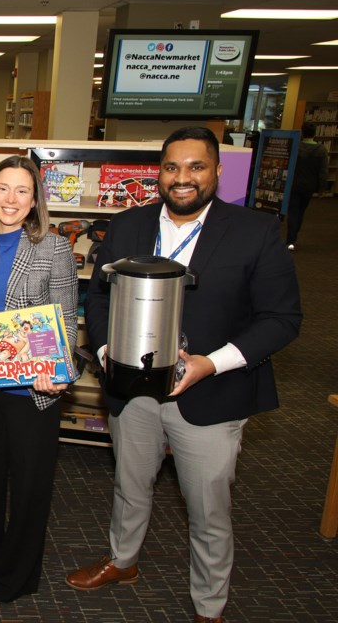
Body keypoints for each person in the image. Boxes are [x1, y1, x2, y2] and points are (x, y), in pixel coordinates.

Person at [66, 126, 302, 623]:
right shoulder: (128, 225)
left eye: (196, 167)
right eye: (172, 167)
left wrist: (210, 364)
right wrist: (108, 348)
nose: (183, 178)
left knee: (208, 509)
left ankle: (209, 606)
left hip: (211, 390)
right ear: (160, 173)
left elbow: (282, 319)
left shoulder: (255, 232)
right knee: (131, 484)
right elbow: (102, 295)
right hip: (132, 387)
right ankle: (122, 561)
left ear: (217, 171)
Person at [0, 155, 78, 603]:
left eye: (22, 190)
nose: (11, 199)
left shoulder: (54, 247)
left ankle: (17, 574)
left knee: (29, 488)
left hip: (33, 393)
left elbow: (63, 320)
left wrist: (55, 371)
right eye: (3, 188)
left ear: (34, 199)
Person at [286, 121, 329, 250]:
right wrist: (322, 188)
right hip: (309, 186)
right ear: (315, 133)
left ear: (302, 132)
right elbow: (323, 171)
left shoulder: (296, 148)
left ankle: (290, 238)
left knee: (293, 210)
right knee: (301, 211)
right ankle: (294, 237)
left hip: (295, 183)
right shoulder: (321, 150)